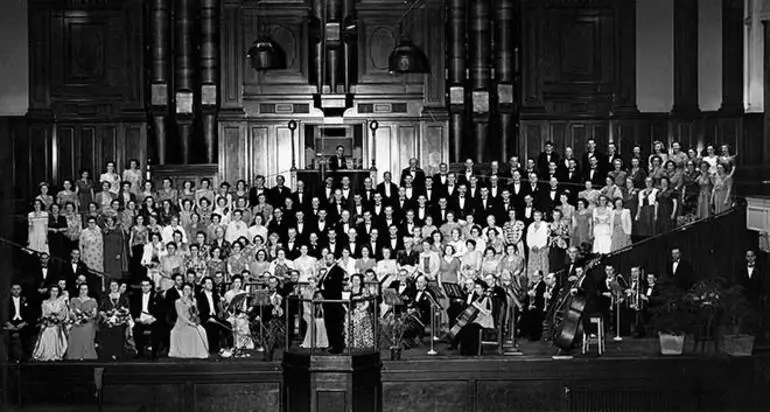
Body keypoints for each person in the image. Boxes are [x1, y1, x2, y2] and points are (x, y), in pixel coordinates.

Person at [169, 283, 210, 359]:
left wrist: (195, 307)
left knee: (202, 330)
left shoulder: (194, 300)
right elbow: (180, 315)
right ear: (182, 290)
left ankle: (200, 352)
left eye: (189, 289)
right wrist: (190, 323)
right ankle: (191, 353)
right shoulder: (178, 301)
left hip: (192, 320)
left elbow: (196, 312)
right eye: (185, 289)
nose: (187, 291)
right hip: (182, 323)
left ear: (191, 291)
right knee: (194, 332)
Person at [32, 285, 69, 361]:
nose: (54, 293)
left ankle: (55, 355)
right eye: (53, 291)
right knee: (46, 332)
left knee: (55, 331)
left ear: (58, 292)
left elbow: (63, 315)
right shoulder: (45, 302)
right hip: (47, 325)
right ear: (49, 292)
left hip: (57, 325)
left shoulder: (61, 303)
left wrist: (56, 319)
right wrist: (48, 320)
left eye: (56, 291)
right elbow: (43, 315)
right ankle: (44, 355)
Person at [457, 280, 494, 356]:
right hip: (478, 320)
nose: (477, 290)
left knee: (470, 328)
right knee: (465, 327)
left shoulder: (487, 298)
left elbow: (488, 313)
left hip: (485, 321)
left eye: (478, 288)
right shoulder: (478, 298)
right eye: (476, 288)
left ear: (483, 289)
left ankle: (472, 351)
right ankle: (466, 351)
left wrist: (478, 306)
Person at [98, 279, 131, 360]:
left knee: (119, 329)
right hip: (107, 320)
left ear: (118, 286)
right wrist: (106, 316)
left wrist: (119, 313)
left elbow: (127, 310)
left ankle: (118, 354)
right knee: (106, 328)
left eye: (115, 285)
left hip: (121, 320)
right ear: (109, 287)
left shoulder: (124, 297)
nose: (114, 287)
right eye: (112, 285)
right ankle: (108, 354)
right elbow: (101, 310)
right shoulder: (105, 297)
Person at [131, 278, 163, 359]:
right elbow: (133, 309)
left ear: (151, 286)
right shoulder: (136, 296)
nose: (145, 287)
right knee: (136, 329)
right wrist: (136, 318)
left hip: (152, 319)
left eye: (147, 285)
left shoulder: (157, 296)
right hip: (140, 319)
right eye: (143, 285)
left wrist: (152, 319)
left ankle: (154, 353)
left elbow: (161, 310)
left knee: (157, 329)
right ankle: (140, 352)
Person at [66, 283, 98, 360]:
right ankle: (75, 356)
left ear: (88, 290)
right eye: (82, 289)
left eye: (85, 289)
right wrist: (75, 317)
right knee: (74, 329)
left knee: (88, 328)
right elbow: (70, 313)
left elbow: (94, 314)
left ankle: (87, 356)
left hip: (88, 323)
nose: (83, 291)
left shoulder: (92, 301)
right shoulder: (74, 300)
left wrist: (86, 317)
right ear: (79, 290)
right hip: (76, 322)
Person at [4, 283, 34, 361]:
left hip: (22, 323)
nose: (16, 291)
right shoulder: (6, 301)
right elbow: (3, 313)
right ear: (11, 290)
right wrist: (8, 323)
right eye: (14, 289)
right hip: (10, 323)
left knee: (27, 334)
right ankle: (10, 358)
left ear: (20, 290)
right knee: (6, 336)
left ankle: (26, 358)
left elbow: (30, 314)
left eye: (18, 289)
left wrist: (24, 323)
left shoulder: (25, 300)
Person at [301, 276, 329, 349]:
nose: (311, 284)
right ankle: (309, 343)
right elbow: (304, 303)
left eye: (312, 283)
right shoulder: (306, 291)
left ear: (316, 283)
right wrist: (309, 311)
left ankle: (321, 343)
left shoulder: (319, 291)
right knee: (312, 323)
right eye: (310, 283)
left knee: (321, 323)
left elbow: (322, 301)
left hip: (319, 312)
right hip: (308, 312)